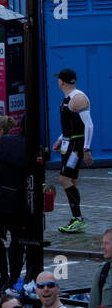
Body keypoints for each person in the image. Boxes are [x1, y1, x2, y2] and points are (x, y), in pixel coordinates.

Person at [53, 68, 93, 234]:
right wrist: (60, 138)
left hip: (75, 145)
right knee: (72, 181)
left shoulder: (78, 98)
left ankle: (78, 219)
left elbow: (89, 125)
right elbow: (70, 124)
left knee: (64, 179)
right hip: (68, 143)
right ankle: (76, 218)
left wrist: (86, 149)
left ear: (62, 81)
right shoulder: (67, 99)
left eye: (58, 79)